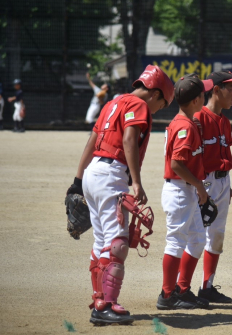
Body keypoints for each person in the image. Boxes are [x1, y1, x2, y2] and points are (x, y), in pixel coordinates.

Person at [66, 65, 173, 325]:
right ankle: (107, 306)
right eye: (164, 104)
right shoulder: (140, 105)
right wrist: (136, 182)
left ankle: (99, 299)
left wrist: (78, 181)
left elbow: (92, 142)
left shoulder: (113, 103)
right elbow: (128, 140)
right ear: (156, 94)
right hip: (112, 174)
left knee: (101, 242)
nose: (159, 110)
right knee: (117, 244)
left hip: (94, 173)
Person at [157, 73, 214, 311]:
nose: (206, 95)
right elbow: (177, 164)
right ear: (196, 100)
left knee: (198, 239)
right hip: (181, 190)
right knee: (175, 242)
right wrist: (200, 186)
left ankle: (182, 289)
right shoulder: (185, 126)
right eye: (203, 93)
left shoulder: (185, 122)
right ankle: (167, 294)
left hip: (184, 190)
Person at [194, 70, 232, 304]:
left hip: (222, 181)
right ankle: (179, 287)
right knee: (193, 235)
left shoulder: (224, 121)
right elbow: (192, 157)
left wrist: (225, 182)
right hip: (203, 183)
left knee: (216, 236)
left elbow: (223, 153)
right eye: (230, 89)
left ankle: (207, 286)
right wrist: (201, 186)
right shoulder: (198, 118)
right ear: (215, 90)